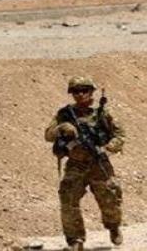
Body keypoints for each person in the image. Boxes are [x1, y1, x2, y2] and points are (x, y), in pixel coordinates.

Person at [45, 77, 126, 251]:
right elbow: (48, 135)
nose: (80, 94)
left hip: (99, 163)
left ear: (91, 93)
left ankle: (113, 227)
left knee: (110, 199)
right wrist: (62, 128)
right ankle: (76, 240)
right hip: (76, 164)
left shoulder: (102, 114)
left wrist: (108, 148)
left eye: (84, 90)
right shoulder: (64, 114)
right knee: (68, 200)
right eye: (76, 91)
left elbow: (120, 135)